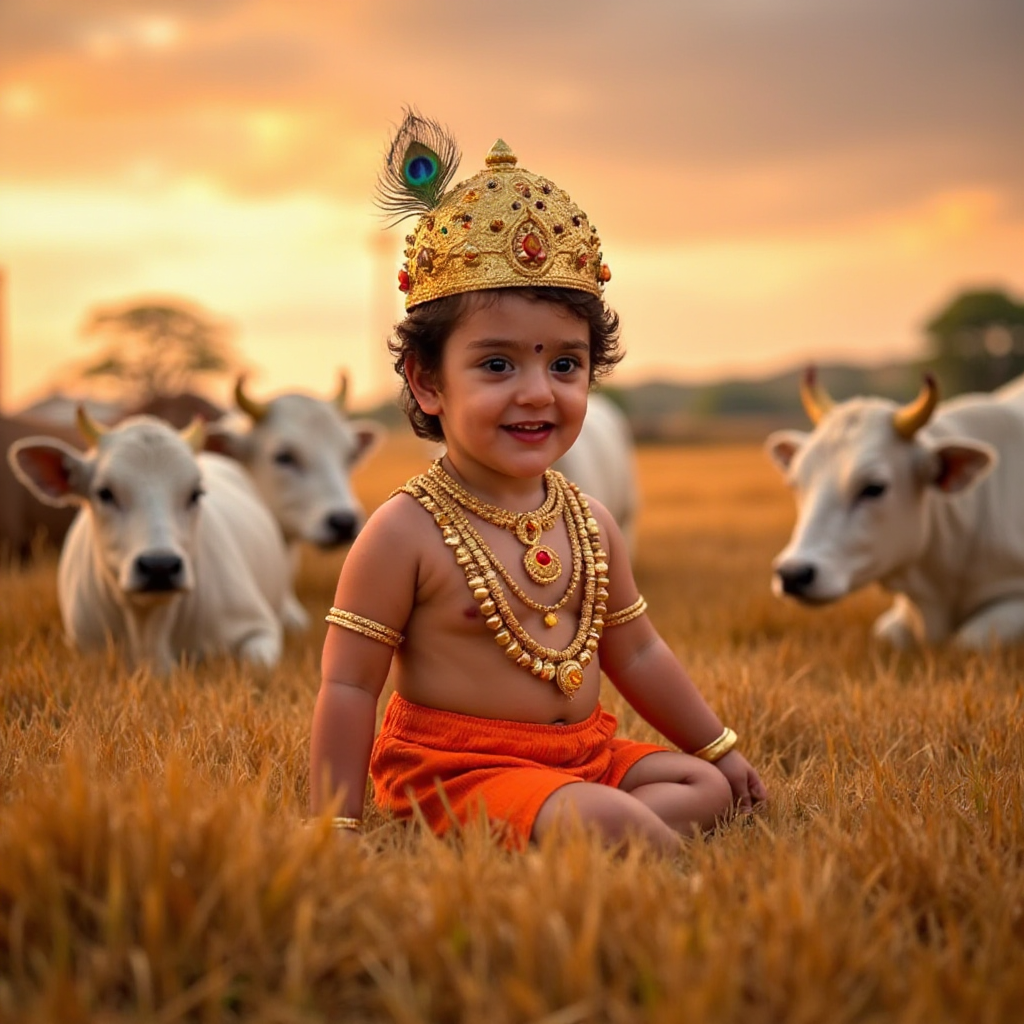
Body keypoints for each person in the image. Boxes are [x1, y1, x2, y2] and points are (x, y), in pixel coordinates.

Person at [309, 111, 767, 854]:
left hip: (582, 753)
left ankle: (574, 822)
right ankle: (596, 835)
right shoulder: (402, 533)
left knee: (703, 790)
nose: (537, 393)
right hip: (457, 767)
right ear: (427, 382)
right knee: (621, 824)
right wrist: (334, 824)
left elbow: (640, 655)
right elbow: (349, 686)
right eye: (497, 365)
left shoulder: (589, 519)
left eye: (565, 364)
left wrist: (718, 747)